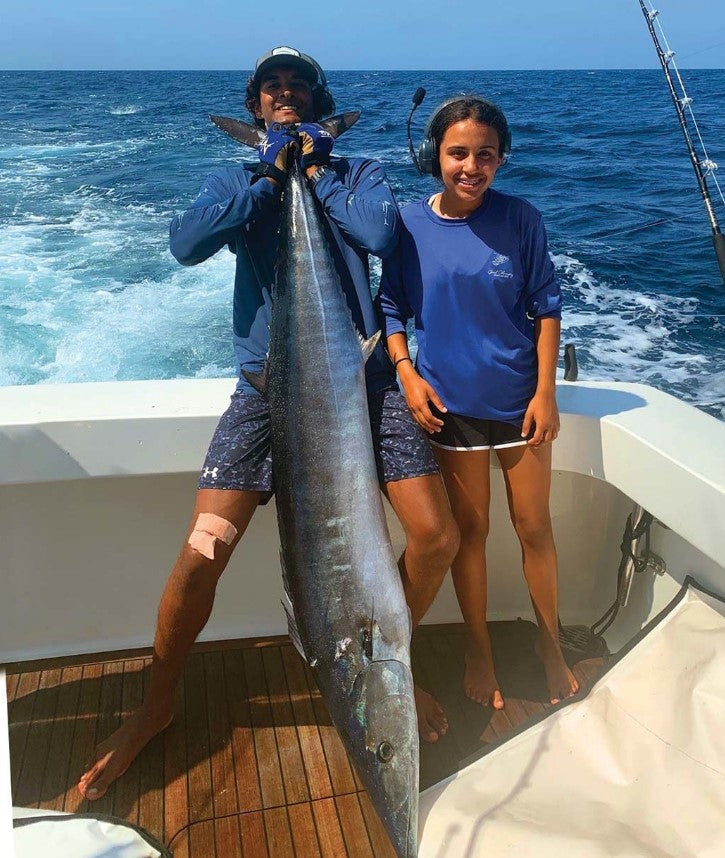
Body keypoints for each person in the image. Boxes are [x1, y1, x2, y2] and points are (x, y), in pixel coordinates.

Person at [78, 47, 459, 802]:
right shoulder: (236, 176)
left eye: (298, 88)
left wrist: (315, 170)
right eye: (272, 89)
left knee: (437, 537)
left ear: (318, 101)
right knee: (201, 552)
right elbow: (186, 246)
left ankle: (392, 663)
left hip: (363, 383)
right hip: (266, 389)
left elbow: (383, 238)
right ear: (255, 106)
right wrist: (265, 175)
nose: (285, 95)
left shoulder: (359, 173)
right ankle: (157, 704)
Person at [378, 95, 579, 709]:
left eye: (485, 155)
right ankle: (479, 650)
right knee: (472, 532)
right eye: (457, 153)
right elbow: (391, 308)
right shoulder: (407, 224)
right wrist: (407, 374)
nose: (471, 166)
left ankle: (551, 645)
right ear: (434, 155)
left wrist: (546, 392)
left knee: (534, 527)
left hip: (519, 402)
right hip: (451, 408)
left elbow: (546, 307)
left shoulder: (521, 219)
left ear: (500, 159)